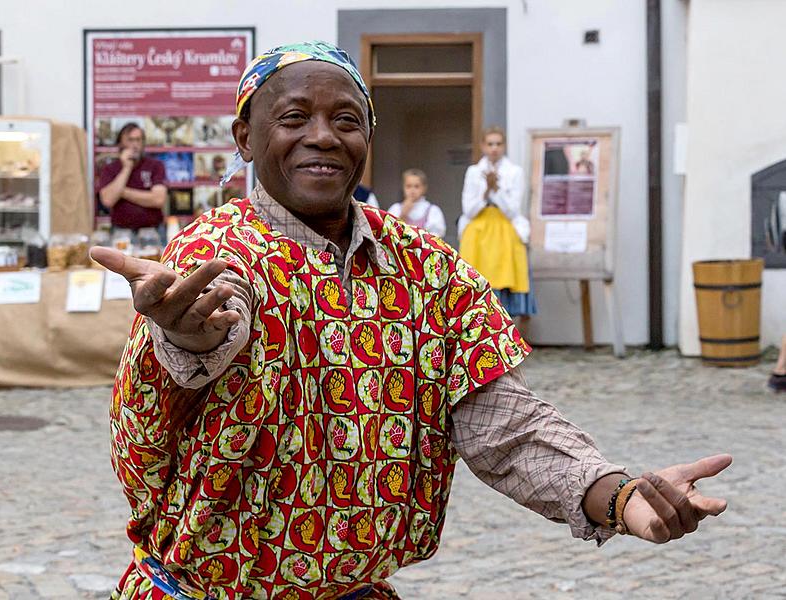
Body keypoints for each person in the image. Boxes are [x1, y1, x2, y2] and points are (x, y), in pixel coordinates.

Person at [91, 41, 731, 600]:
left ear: (366, 140)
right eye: (293, 118)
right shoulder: (213, 251)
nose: (322, 135)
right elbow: (214, 320)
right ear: (245, 137)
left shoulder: (426, 269)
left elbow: (505, 430)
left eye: (347, 120)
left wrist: (617, 496)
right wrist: (187, 333)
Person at [458, 127, 536, 318]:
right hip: (478, 228)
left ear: (504, 146)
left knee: (504, 274)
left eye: (498, 144)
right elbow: (468, 208)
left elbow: (513, 209)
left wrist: (497, 190)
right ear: (483, 146)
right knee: (475, 278)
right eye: (490, 144)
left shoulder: (514, 172)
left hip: (504, 228)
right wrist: (486, 192)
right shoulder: (474, 172)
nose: (494, 149)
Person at [98, 122, 168, 241]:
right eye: (130, 140)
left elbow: (158, 199)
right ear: (120, 143)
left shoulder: (155, 165)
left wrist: (122, 192)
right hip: (121, 232)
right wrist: (126, 168)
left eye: (138, 140)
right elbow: (108, 200)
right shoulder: (110, 168)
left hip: (152, 231)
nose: (135, 145)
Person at [386, 168, 446, 238]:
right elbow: (388, 232)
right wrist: (403, 215)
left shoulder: (432, 210)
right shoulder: (395, 208)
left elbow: (436, 236)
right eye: (408, 186)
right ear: (403, 187)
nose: (412, 190)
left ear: (424, 188)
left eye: (416, 186)